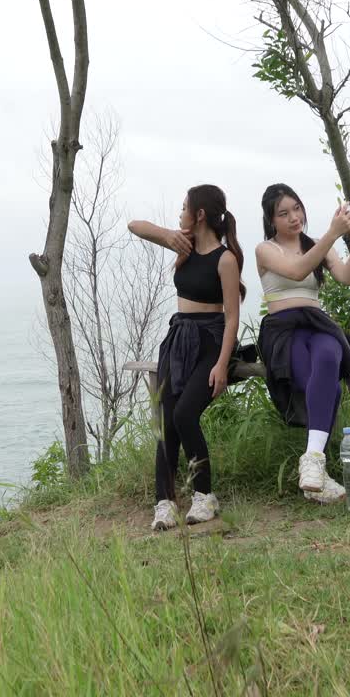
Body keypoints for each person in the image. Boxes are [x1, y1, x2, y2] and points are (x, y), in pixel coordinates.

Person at [129, 184, 245, 530]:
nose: (179, 215)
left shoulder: (225, 259)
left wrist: (223, 364)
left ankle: (204, 495)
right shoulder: (184, 244)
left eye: (184, 209)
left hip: (210, 340)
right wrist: (170, 234)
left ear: (200, 215)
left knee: (185, 414)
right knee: (166, 422)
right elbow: (135, 225)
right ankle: (164, 501)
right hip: (179, 338)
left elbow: (232, 316)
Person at [254, 184, 350, 505]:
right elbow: (297, 269)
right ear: (271, 220)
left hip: (316, 323)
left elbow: (347, 277)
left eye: (296, 208)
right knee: (328, 389)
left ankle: (313, 462)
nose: (294, 217)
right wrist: (332, 234)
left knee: (331, 353)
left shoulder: (319, 243)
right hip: (283, 330)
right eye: (283, 213)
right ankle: (319, 470)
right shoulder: (266, 250)